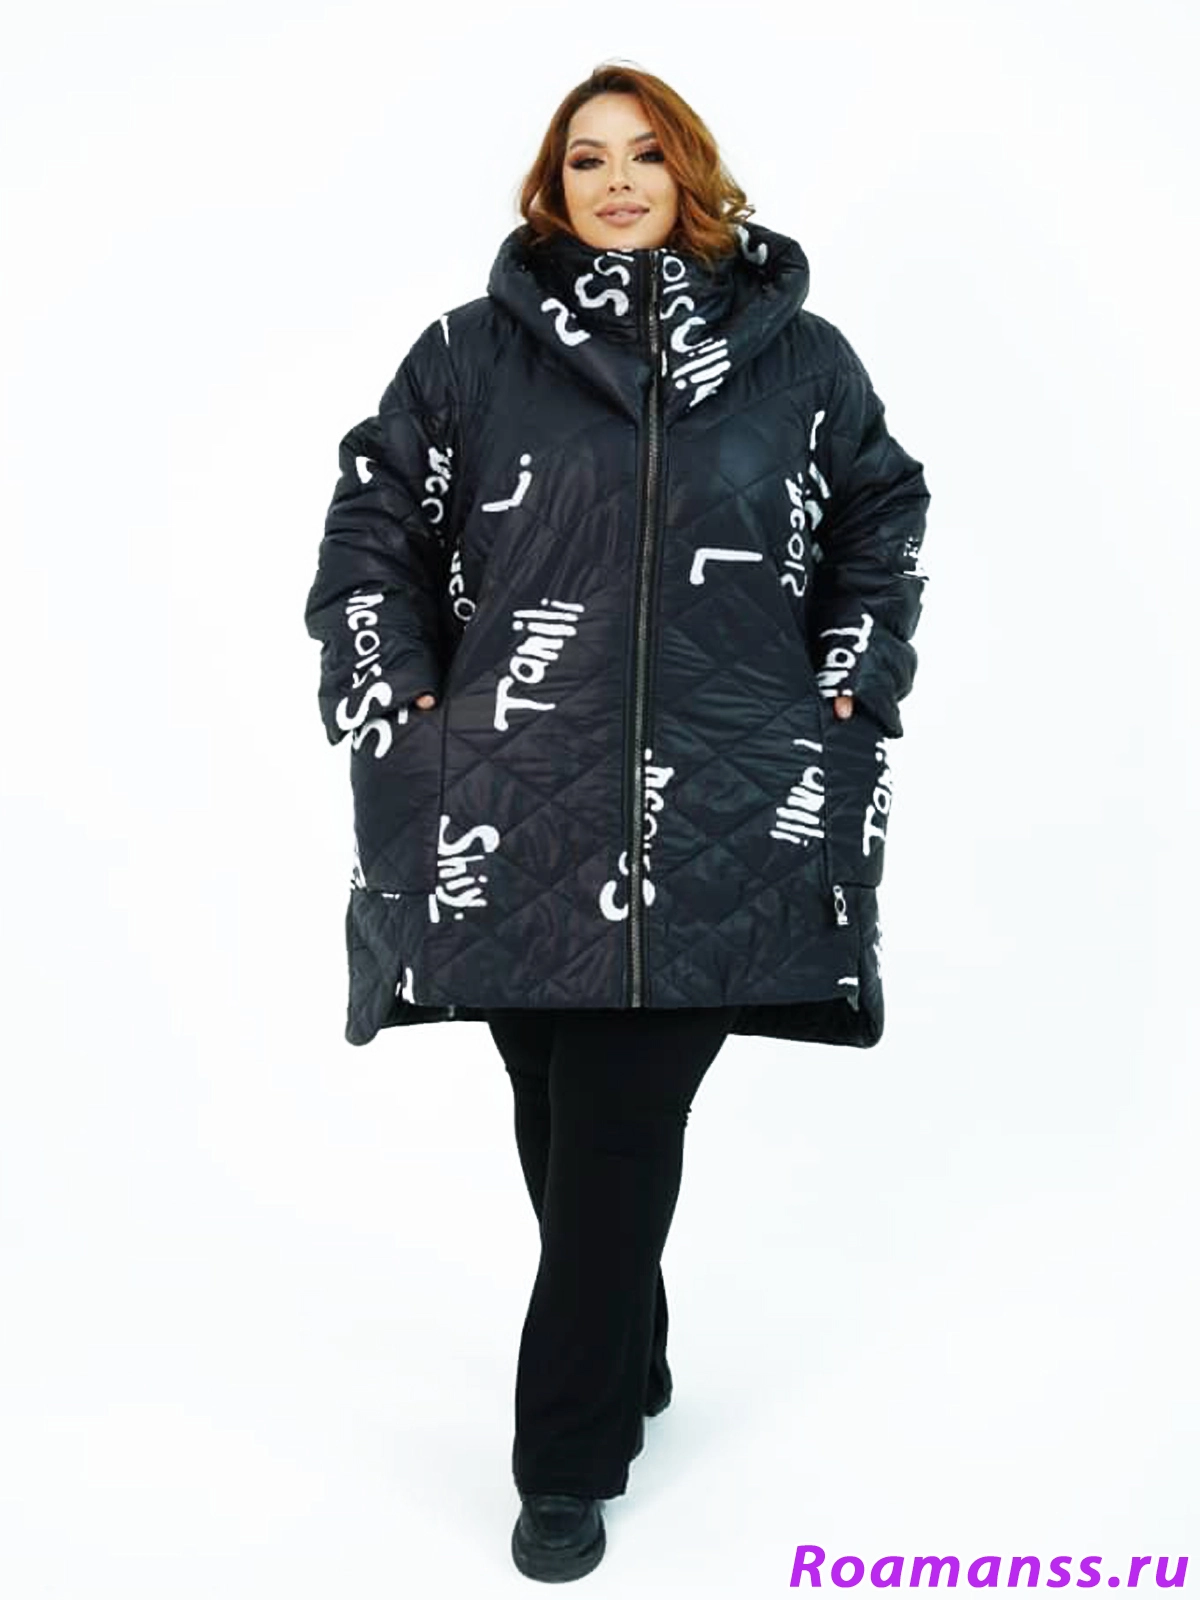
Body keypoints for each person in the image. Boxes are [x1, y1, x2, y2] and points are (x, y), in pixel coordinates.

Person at [304, 61, 930, 1584]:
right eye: (587, 159)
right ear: (553, 186)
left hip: (726, 797)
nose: (619, 181)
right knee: (557, 1116)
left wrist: (850, 679)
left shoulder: (801, 363)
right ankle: (633, 1344)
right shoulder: (468, 357)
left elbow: (882, 509)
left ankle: (565, 1462)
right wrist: (399, 696)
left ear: (692, 173)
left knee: (613, 1137)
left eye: (646, 154)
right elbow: (374, 520)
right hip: (510, 797)